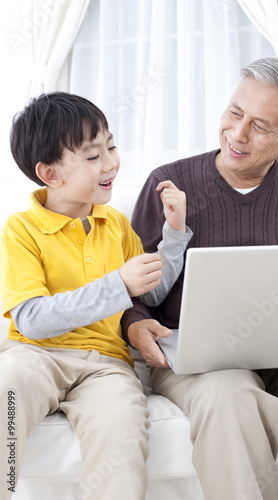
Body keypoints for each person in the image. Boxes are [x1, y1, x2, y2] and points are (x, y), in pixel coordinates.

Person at [121, 57, 278, 500]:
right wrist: (134, 322)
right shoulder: (168, 183)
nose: (238, 134)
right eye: (235, 113)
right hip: (204, 363)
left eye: (260, 125)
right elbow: (130, 282)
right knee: (227, 398)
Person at [0, 92, 192, 499]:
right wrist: (117, 285)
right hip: (36, 354)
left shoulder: (117, 224)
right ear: (50, 174)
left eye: (111, 146)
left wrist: (173, 236)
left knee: (122, 425)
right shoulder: (21, 230)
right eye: (92, 156)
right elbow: (31, 318)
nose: (110, 163)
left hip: (106, 365)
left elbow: (151, 292)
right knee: (6, 392)